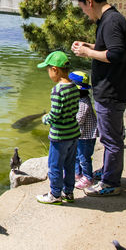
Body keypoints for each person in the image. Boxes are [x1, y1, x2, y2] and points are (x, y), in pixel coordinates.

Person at [71, 0, 126, 197]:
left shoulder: (111, 22)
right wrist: (89, 46)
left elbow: (115, 54)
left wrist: (87, 54)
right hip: (111, 88)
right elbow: (109, 48)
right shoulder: (111, 20)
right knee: (111, 136)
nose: (83, 12)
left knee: (111, 139)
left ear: (89, 2)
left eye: (82, 7)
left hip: (111, 90)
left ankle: (110, 182)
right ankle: (109, 172)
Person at [36, 50, 81, 205]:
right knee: (69, 165)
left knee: (54, 166)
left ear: (55, 69)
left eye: (48, 70)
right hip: (73, 134)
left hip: (59, 136)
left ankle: (55, 194)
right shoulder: (74, 87)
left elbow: (55, 114)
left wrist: (45, 119)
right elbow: (75, 109)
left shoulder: (57, 90)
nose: (49, 74)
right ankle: (68, 193)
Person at [69, 70, 97, 190]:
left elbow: (79, 119)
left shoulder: (83, 102)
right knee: (76, 155)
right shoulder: (79, 100)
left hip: (87, 136)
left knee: (84, 157)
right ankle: (77, 173)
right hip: (79, 135)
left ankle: (88, 178)